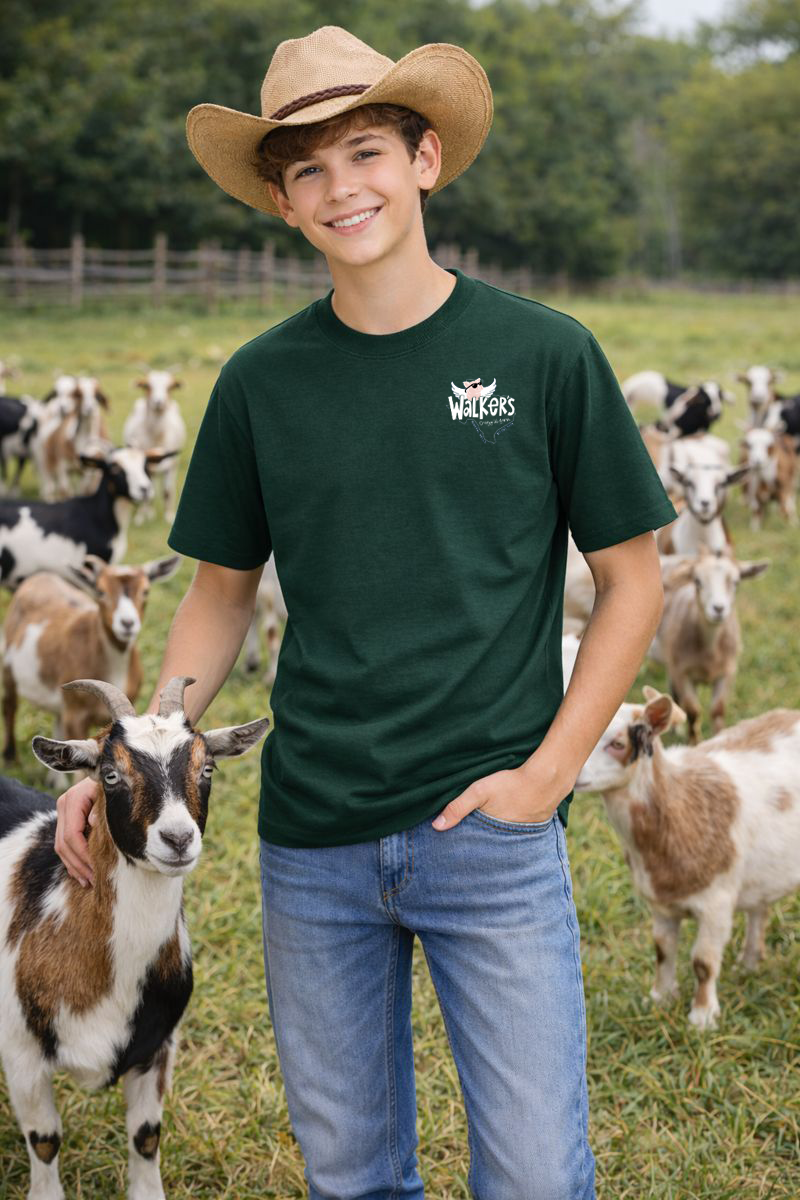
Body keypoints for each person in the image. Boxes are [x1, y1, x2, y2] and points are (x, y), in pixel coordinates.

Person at [54, 25, 679, 1200]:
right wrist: (135, 754)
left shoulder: (543, 354)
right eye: (309, 170)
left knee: (540, 1177)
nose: (343, 187)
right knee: (347, 1176)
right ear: (284, 203)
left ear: (425, 159)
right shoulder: (258, 385)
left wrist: (543, 779)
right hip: (315, 842)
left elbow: (632, 578)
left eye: (366, 152)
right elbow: (222, 593)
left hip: (489, 834)